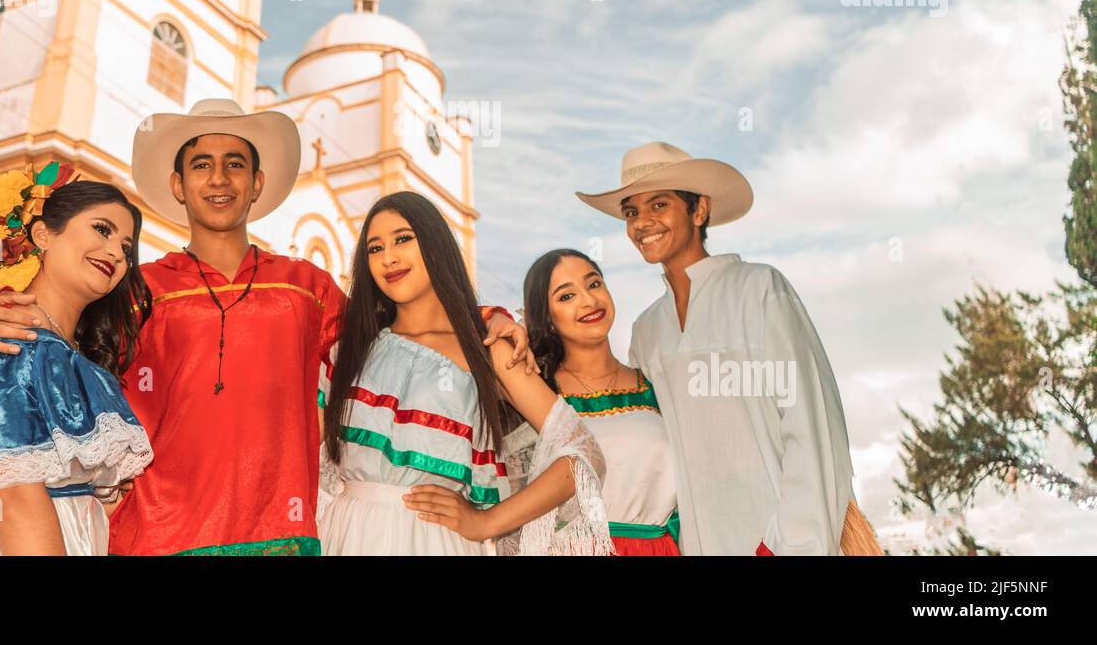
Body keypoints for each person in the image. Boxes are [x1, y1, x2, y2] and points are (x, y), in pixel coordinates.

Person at [0, 99, 532, 555]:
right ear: (179, 185)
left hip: (280, 530)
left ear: (257, 185)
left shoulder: (305, 286)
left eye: (235, 164)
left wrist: (485, 319)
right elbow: (50, 329)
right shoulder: (136, 285)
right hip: (151, 531)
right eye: (202, 165)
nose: (219, 178)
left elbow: (397, 331)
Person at [576, 141, 878, 556]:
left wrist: (789, 545)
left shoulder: (759, 290)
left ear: (699, 210)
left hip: (780, 540)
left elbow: (812, 427)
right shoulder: (647, 331)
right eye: (631, 212)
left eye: (658, 205)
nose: (641, 223)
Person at [318, 191, 613, 556]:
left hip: (436, 541)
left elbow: (583, 454)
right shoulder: (348, 351)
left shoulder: (488, 348)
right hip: (344, 536)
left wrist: (486, 522)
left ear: (436, 243)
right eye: (374, 248)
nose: (388, 257)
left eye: (403, 239)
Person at [0, 164, 154, 554]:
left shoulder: (80, 361)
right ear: (42, 234)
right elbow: (14, 493)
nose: (115, 253)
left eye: (126, 248)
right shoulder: (9, 337)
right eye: (102, 229)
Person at [522, 248, 680, 555]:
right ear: (547, 319)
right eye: (566, 296)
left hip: (656, 548)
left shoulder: (656, 384)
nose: (588, 300)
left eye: (594, 284)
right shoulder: (535, 392)